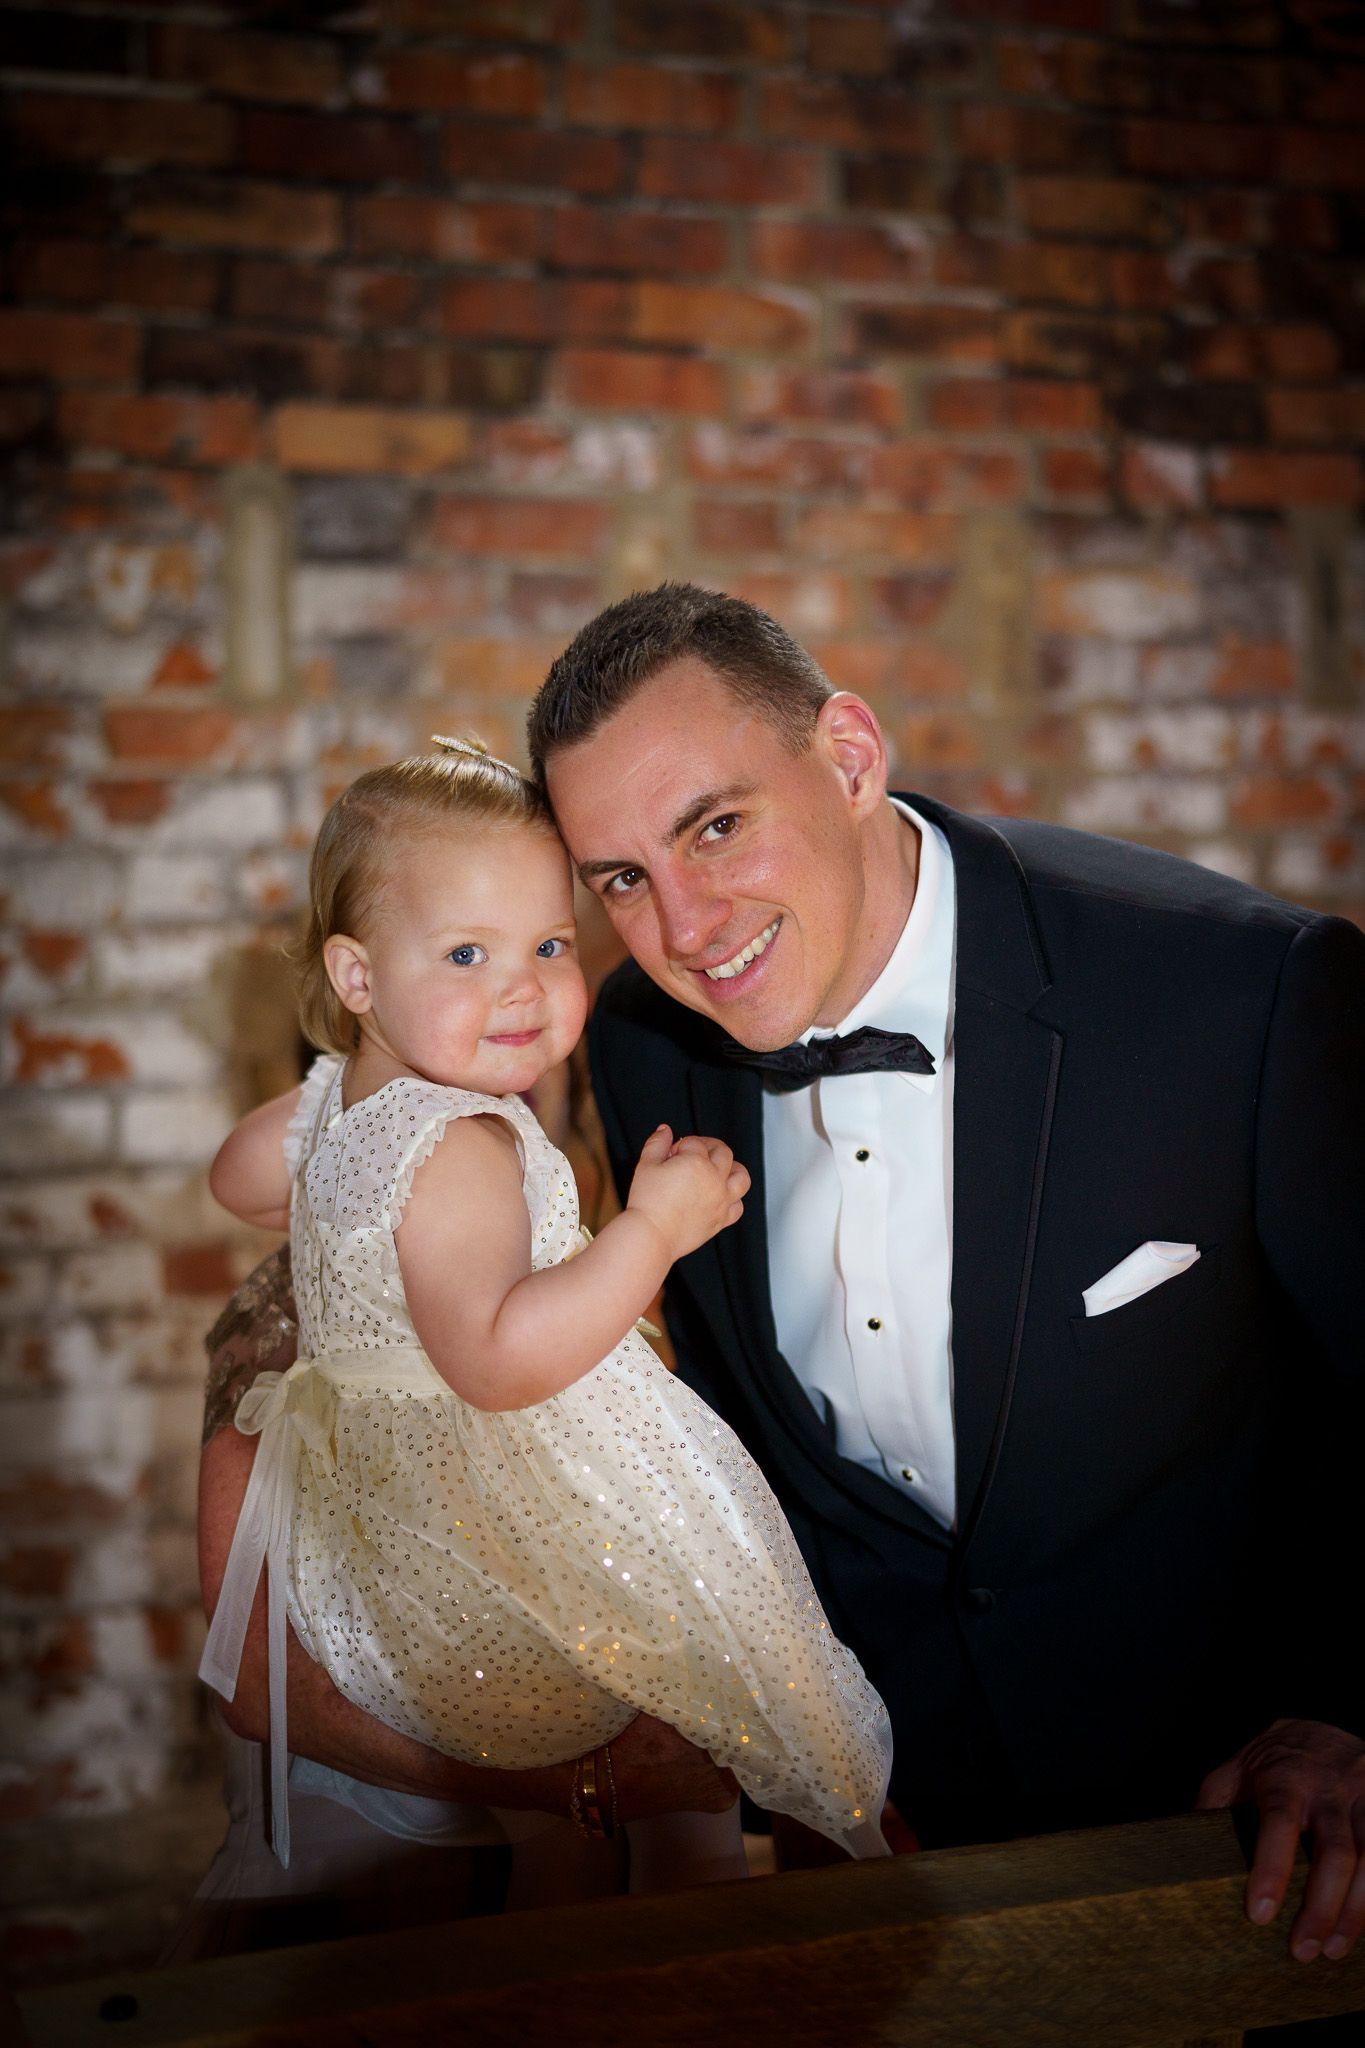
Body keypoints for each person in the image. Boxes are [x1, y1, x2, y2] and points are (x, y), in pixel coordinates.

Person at [523, 583, 1364, 1988]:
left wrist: (1346, 1713)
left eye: (714, 825)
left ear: (850, 756)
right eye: (618, 878)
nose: (681, 925)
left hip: (1253, 1851)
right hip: (898, 1876)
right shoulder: (636, 1044)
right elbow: (741, 1437)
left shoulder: (1245, 994)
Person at [198, 736, 892, 1900]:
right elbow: (499, 1357)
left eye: (551, 944)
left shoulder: (341, 1108)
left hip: (379, 1518)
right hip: (488, 1523)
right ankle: (692, 1970)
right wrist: (654, 1231)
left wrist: (352, 1078)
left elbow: (235, 1177)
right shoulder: (462, 1141)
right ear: (358, 975)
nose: (521, 986)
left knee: (563, 1845)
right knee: (694, 1773)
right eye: (467, 952)